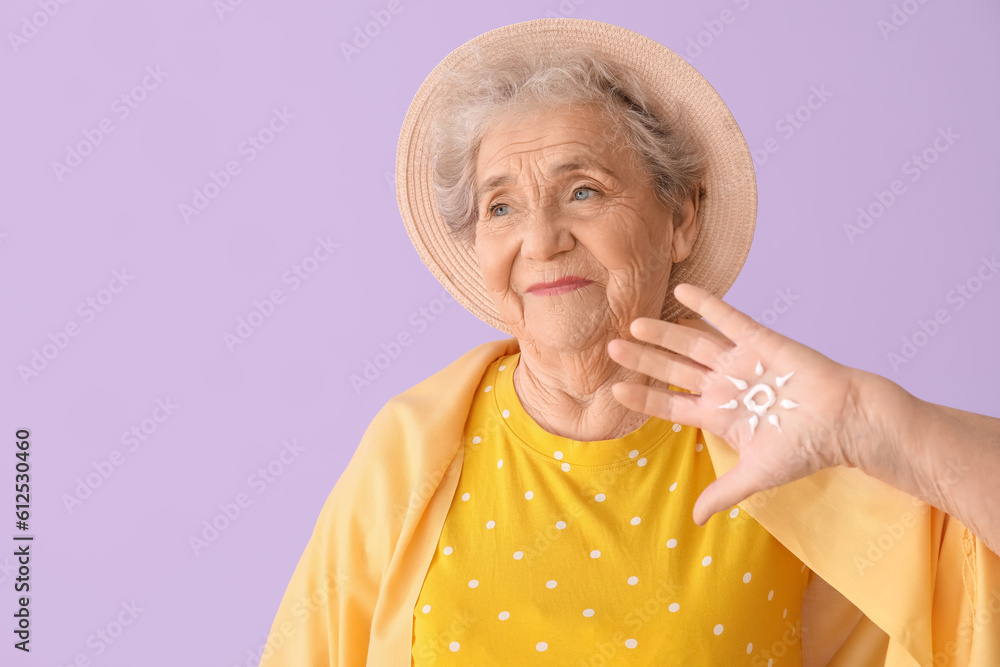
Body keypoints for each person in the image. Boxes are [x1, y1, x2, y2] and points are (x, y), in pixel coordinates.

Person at [258, 18, 1000, 666]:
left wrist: (869, 421)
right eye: (502, 205)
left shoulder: (773, 432)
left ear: (679, 217)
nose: (542, 239)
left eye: (582, 189)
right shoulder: (413, 447)